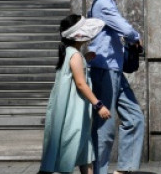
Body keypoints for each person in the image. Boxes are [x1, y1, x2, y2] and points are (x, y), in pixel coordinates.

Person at [86, 0, 144, 174]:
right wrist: (136, 38)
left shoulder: (107, 2)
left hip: (114, 69)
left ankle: (124, 169)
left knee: (135, 117)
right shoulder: (102, 3)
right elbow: (126, 31)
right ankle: (98, 171)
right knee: (105, 128)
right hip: (104, 69)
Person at [39, 14, 112, 174]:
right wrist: (98, 105)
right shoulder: (75, 55)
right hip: (73, 112)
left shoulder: (70, 52)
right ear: (78, 36)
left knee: (84, 148)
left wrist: (85, 59)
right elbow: (80, 83)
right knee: (72, 145)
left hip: (73, 110)